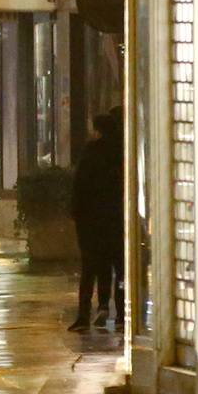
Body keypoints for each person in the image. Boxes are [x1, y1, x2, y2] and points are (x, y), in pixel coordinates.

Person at [70, 110, 124, 332]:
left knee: (91, 268)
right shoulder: (120, 153)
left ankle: (86, 313)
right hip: (116, 221)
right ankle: (121, 313)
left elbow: (80, 188)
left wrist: (77, 216)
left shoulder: (91, 153)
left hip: (92, 224)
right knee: (119, 269)